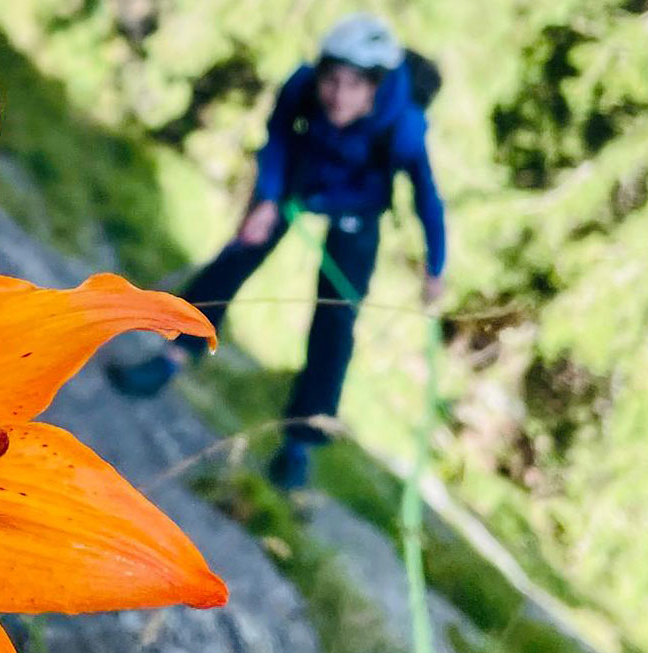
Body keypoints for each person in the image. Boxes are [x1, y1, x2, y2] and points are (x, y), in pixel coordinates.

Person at [108, 14, 447, 490]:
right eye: (331, 79)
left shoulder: (404, 127)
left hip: (358, 207)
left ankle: (300, 444)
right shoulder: (302, 87)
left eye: (352, 85)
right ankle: (170, 359)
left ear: (376, 87)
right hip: (299, 185)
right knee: (235, 259)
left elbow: (427, 198)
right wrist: (267, 199)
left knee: (336, 315)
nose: (337, 95)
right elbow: (280, 137)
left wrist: (435, 269)